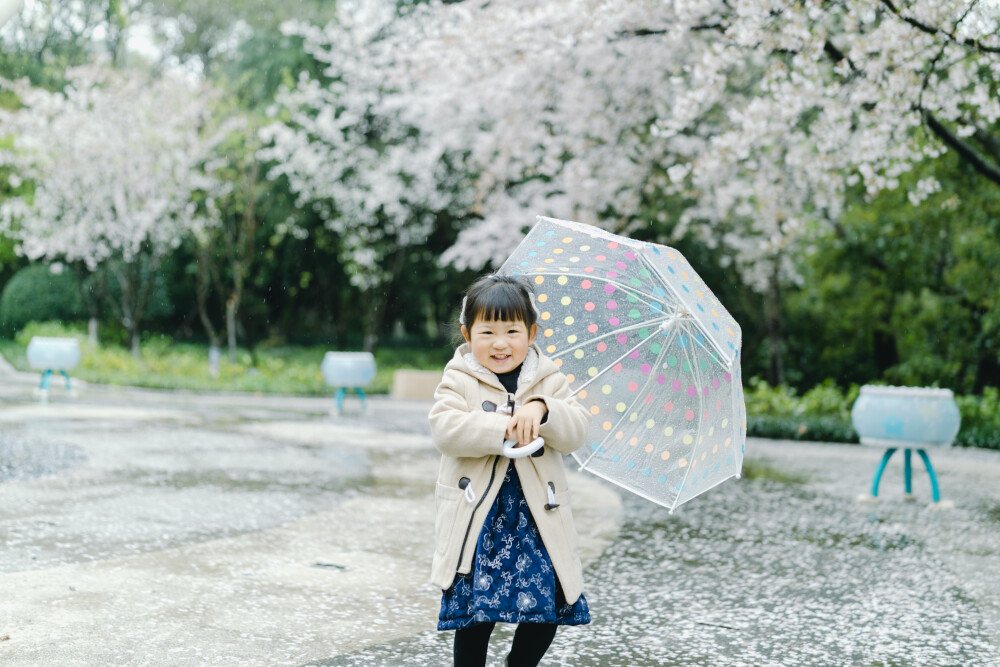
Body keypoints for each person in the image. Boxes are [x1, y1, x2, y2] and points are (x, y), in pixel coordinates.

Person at [429, 274, 592, 667]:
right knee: (475, 617)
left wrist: (541, 409)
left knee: (546, 607)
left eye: (511, 330)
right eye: (487, 331)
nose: (500, 343)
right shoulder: (460, 377)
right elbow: (445, 428)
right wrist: (501, 425)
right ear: (467, 334)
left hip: (536, 518)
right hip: (480, 517)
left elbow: (576, 430)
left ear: (531, 333)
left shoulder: (549, 378)